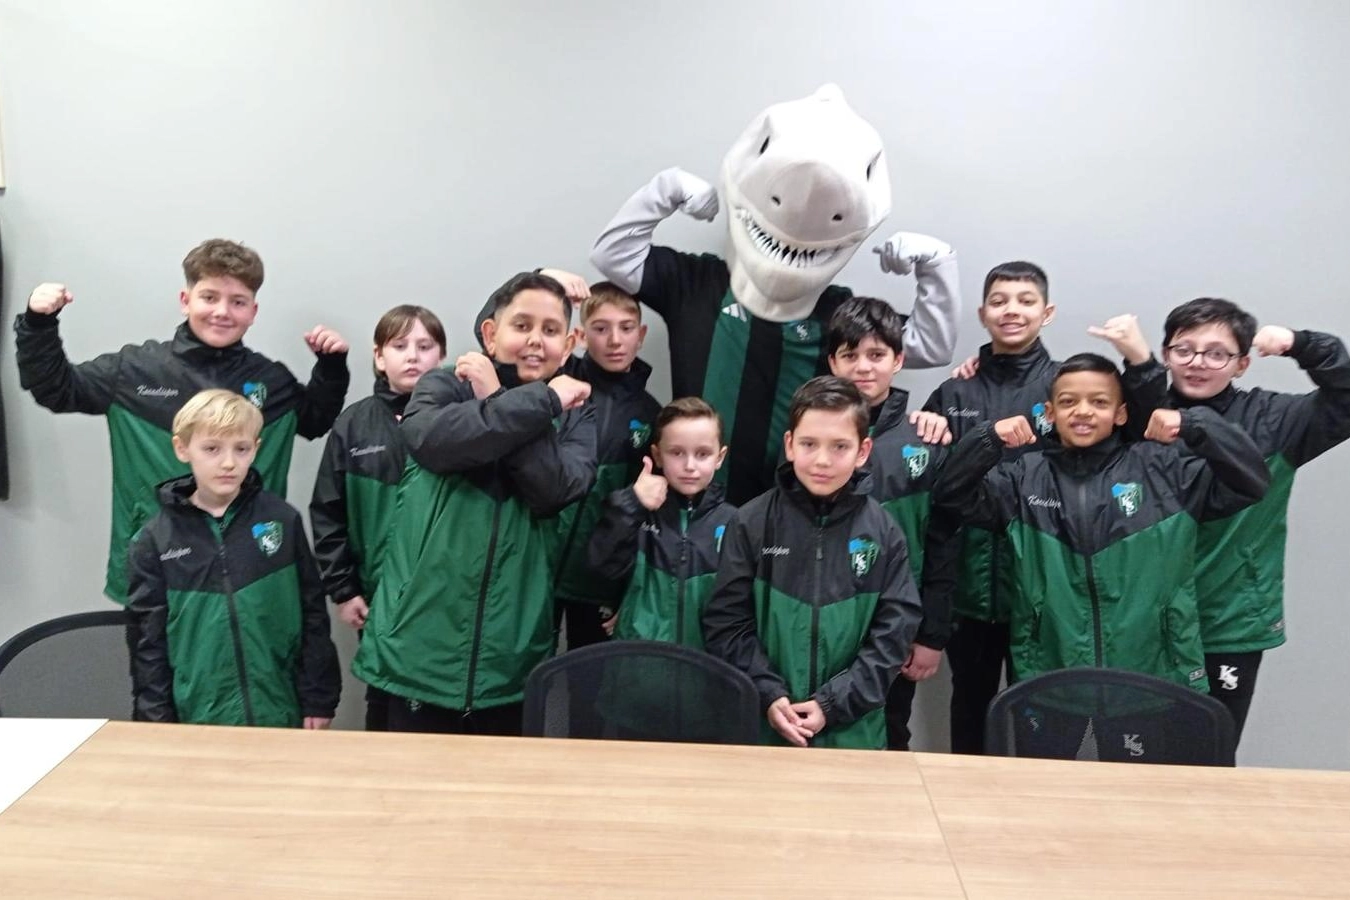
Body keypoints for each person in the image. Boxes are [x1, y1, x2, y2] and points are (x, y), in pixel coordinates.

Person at [15, 238, 350, 607]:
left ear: (253, 311)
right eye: (209, 297)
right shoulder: (135, 372)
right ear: (185, 300)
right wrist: (38, 324)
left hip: (250, 575)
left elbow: (314, 420)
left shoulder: (271, 382)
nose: (222, 311)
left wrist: (331, 368)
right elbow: (56, 389)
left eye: (237, 302)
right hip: (157, 577)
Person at [931, 353, 1271, 713]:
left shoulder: (1164, 470)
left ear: (1120, 414)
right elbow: (951, 495)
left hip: (1158, 680)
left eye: (1099, 402)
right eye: (1068, 402)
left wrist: (1195, 424)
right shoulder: (1023, 479)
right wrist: (987, 438)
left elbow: (1251, 482)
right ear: (1049, 413)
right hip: (1049, 682)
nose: (1083, 411)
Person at [352, 272, 596, 736]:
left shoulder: (577, 414)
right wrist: (541, 401)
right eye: (521, 325)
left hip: (511, 662)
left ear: (568, 346)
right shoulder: (444, 386)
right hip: (416, 653)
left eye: (550, 330)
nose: (535, 340)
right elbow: (433, 443)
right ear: (490, 333)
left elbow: (553, 490)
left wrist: (501, 397)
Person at [1123, 298, 1350, 742]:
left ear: (1242, 363)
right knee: (1135, 755)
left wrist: (1302, 344)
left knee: (1210, 754)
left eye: (1216, 353)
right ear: (1165, 354)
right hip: (1141, 619)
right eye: (1184, 350)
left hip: (1228, 620)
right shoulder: (1133, 415)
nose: (1197, 363)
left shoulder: (1276, 420)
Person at [704, 376, 922, 750]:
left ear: (863, 451)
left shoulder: (884, 532)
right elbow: (727, 623)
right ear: (790, 444)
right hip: (763, 729)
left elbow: (893, 636)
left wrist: (832, 704)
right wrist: (768, 694)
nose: (822, 460)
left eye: (840, 446)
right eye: (809, 444)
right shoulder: (751, 523)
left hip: (853, 735)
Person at [127, 389, 341, 727]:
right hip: (197, 718)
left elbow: (312, 614)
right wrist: (156, 719)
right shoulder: (155, 539)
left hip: (279, 710)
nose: (228, 463)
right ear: (182, 448)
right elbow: (147, 643)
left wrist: (318, 698)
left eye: (241, 449)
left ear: (255, 448)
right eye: (212, 449)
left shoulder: (282, 520)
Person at [921, 261, 1061, 754]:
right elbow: (935, 489)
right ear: (983, 314)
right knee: (971, 706)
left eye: (1025, 301)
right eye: (999, 302)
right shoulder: (955, 391)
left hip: (1043, 586)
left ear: (1047, 312)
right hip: (969, 588)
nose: (1011, 311)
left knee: (1044, 712)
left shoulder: (1068, 390)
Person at [309, 305, 447, 731]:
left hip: (442, 598)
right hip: (375, 599)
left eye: (425, 346)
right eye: (400, 345)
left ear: (441, 356)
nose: (413, 356)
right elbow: (328, 512)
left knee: (434, 709)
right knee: (384, 701)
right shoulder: (354, 424)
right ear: (379, 356)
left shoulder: (460, 419)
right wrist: (344, 590)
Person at [825, 296, 950, 750]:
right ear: (832, 362)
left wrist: (931, 634)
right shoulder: (813, 436)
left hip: (895, 624)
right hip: (822, 618)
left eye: (876, 355)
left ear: (898, 360)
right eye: (850, 355)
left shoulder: (926, 439)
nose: (863, 367)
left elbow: (942, 542)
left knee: (891, 729)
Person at [552, 282, 662, 652]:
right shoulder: (557, 383)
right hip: (539, 567)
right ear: (581, 336)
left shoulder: (650, 414)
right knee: (526, 673)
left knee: (588, 677)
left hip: (599, 576)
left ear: (640, 335)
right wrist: (545, 276)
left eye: (626, 328)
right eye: (601, 328)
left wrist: (630, 588)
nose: (615, 340)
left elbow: (650, 515)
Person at [587, 397, 734, 647]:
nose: (690, 466)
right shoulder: (635, 512)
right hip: (638, 657)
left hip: (703, 662)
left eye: (702, 454)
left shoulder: (734, 523)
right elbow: (602, 567)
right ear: (657, 455)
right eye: (677, 453)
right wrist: (632, 502)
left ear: (720, 457)